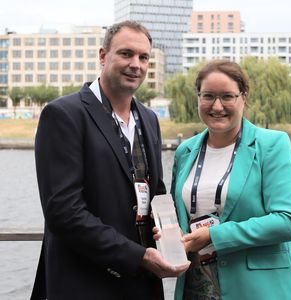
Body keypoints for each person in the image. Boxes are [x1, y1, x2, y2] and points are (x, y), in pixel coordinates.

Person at [31, 21, 189, 300]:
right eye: (126, 54)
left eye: (143, 57)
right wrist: (138, 256)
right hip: (84, 284)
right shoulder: (64, 114)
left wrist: (174, 240)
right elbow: (63, 212)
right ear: (103, 56)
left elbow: (155, 193)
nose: (136, 64)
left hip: (142, 285)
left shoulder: (149, 119)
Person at [169, 60, 291, 299]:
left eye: (227, 96)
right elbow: (178, 215)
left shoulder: (271, 145)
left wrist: (214, 235)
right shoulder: (185, 151)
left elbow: (289, 221)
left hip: (256, 288)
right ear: (198, 98)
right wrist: (168, 233)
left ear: (243, 97)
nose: (217, 106)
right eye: (208, 95)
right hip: (195, 285)